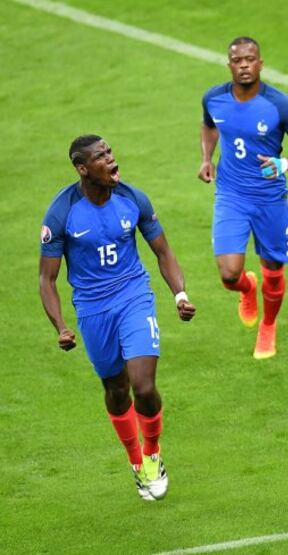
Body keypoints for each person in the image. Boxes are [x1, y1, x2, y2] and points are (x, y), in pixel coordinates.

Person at [39, 134, 196, 501]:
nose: (111, 160)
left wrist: (180, 294)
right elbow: (46, 278)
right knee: (116, 389)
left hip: (134, 297)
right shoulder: (62, 213)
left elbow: (163, 251)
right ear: (82, 168)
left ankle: (153, 454)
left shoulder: (132, 198)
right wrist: (61, 326)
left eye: (110, 152)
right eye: (100, 157)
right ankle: (135, 460)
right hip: (93, 310)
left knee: (143, 385)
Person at [198, 36, 288, 359]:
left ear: (260, 63)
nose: (244, 65)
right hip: (231, 196)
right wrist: (207, 158)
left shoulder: (279, 104)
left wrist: (284, 164)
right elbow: (209, 126)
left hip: (269, 199)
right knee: (228, 275)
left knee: (274, 267)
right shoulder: (214, 98)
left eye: (250, 59)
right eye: (238, 61)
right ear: (229, 65)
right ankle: (247, 289)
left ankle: (268, 325)